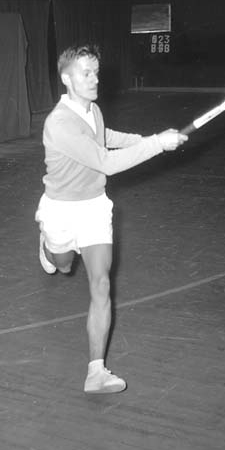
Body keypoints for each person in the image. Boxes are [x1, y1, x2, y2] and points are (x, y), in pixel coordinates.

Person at [35, 43, 187, 394]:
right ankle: (48, 247)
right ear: (66, 78)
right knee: (62, 265)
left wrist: (149, 139)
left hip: (94, 206)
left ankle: (96, 372)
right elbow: (105, 161)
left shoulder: (93, 110)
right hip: (61, 208)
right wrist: (156, 145)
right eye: (86, 73)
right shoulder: (59, 123)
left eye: (96, 73)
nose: (94, 79)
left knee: (101, 284)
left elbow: (105, 138)